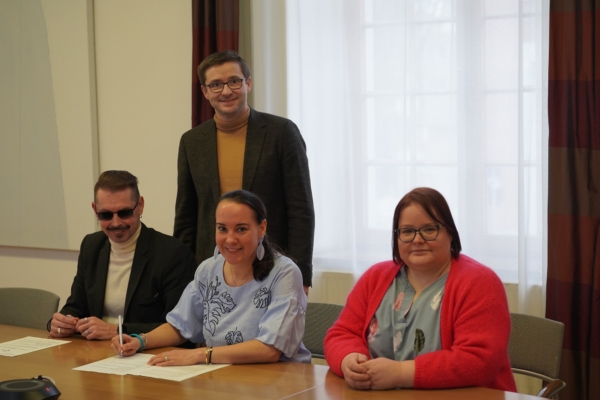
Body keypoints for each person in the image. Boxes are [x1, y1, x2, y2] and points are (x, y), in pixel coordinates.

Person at [324, 187, 517, 391]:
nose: (417, 239)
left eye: (429, 229)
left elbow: (479, 361)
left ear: (450, 233)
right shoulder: (375, 277)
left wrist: (400, 374)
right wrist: (349, 360)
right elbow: (341, 333)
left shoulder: (480, 283)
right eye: (407, 231)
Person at [174, 50, 315, 295]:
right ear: (205, 92)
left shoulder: (281, 133)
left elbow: (301, 210)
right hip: (214, 271)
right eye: (216, 84)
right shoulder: (191, 142)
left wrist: (301, 274)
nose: (226, 91)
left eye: (234, 81)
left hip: (272, 267)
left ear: (248, 83)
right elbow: (186, 216)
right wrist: (181, 277)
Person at [114, 190, 310, 365]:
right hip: (225, 378)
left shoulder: (284, 273)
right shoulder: (208, 269)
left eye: (241, 229)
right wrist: (140, 341)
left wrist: (201, 355)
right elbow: (181, 326)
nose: (230, 239)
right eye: (222, 228)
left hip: (280, 380)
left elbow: (269, 350)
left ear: (262, 228)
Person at [48, 171, 196, 340]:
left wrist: (117, 330)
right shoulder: (91, 246)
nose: (116, 223)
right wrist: (63, 321)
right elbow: (76, 307)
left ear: (140, 205)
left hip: (147, 355)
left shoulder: (172, 253)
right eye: (106, 215)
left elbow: (181, 327)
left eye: (124, 212)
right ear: (95, 210)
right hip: (94, 352)